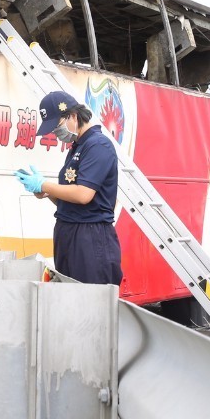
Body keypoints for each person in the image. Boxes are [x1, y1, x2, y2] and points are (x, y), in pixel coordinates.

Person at [14, 90, 123, 285]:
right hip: (70, 232)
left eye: (57, 128)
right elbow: (69, 199)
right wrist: (46, 192)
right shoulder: (78, 147)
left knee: (88, 302)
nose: (56, 134)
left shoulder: (98, 145)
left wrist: (44, 184)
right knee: (68, 300)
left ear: (72, 116)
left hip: (89, 237)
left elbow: (83, 195)